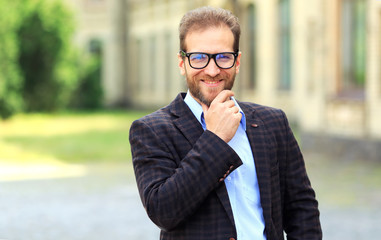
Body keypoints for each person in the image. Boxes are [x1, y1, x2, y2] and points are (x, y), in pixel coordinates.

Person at [129, 6, 322, 240]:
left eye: (223, 57)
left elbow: (302, 211)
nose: (212, 70)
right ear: (182, 63)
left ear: (237, 61)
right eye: (199, 57)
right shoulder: (152, 130)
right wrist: (215, 139)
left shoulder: (273, 122)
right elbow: (164, 211)